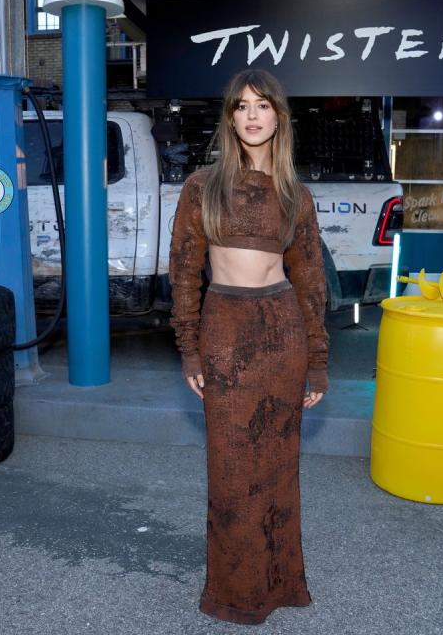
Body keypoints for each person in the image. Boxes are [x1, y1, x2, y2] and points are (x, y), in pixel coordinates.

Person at [168, 69, 329, 625]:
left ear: (279, 117)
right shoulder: (201, 187)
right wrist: (189, 348)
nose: (253, 115)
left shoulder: (294, 193)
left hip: (282, 332)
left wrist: (318, 363)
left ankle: (282, 585)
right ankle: (234, 593)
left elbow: (310, 283)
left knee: (281, 469)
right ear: (230, 118)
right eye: (242, 106)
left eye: (263, 106)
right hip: (226, 333)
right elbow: (185, 273)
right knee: (232, 473)